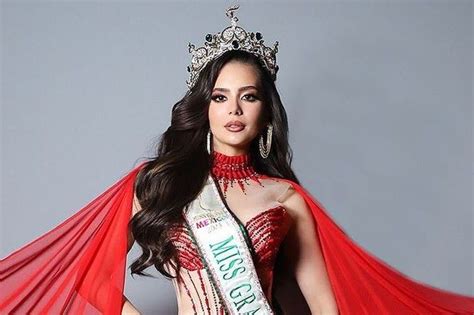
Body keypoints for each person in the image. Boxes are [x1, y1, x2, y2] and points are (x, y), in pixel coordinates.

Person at [1, 4, 473, 315]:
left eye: (247, 96)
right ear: (203, 107)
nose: (233, 109)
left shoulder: (286, 198)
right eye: (220, 96)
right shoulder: (158, 184)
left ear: (264, 109)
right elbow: (88, 273)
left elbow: (324, 305)